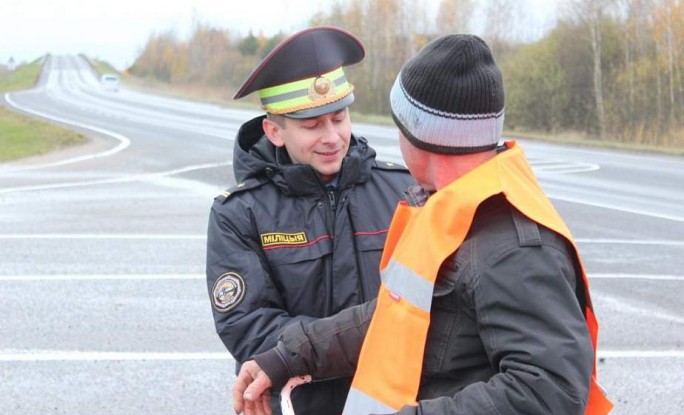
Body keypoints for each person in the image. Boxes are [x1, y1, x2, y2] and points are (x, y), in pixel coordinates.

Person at [232, 34, 613, 415]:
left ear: (419, 135)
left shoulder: (510, 242)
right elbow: (399, 315)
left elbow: (549, 392)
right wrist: (291, 354)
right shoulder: (453, 211)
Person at [206, 26, 414, 415]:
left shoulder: (402, 191)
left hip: (392, 400)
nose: (333, 136)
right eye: (312, 125)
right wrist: (361, 343)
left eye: (339, 117)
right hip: (294, 403)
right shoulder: (239, 213)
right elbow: (248, 325)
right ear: (274, 131)